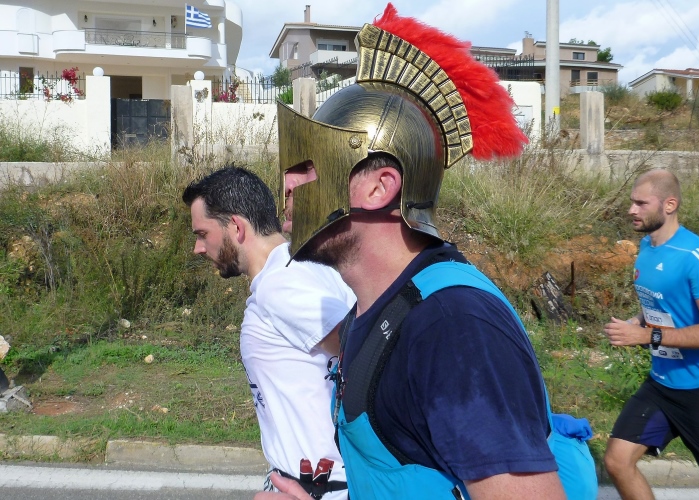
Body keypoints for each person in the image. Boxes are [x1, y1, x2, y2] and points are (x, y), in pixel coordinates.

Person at [259, 4, 570, 499]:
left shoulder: (453, 326)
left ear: (380, 187)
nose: (290, 183)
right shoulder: (372, 312)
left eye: (309, 167)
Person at [182, 166, 355, 500]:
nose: (198, 248)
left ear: (236, 227)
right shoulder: (304, 266)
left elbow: (366, 352)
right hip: (314, 484)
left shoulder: (280, 284)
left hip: (317, 488)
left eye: (202, 234)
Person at [604, 169, 699, 500]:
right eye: (631, 202)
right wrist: (638, 320)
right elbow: (661, 302)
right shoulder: (647, 245)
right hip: (662, 384)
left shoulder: (695, 256)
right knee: (617, 461)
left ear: (669, 205)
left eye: (641, 203)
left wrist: (647, 337)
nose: (631, 210)